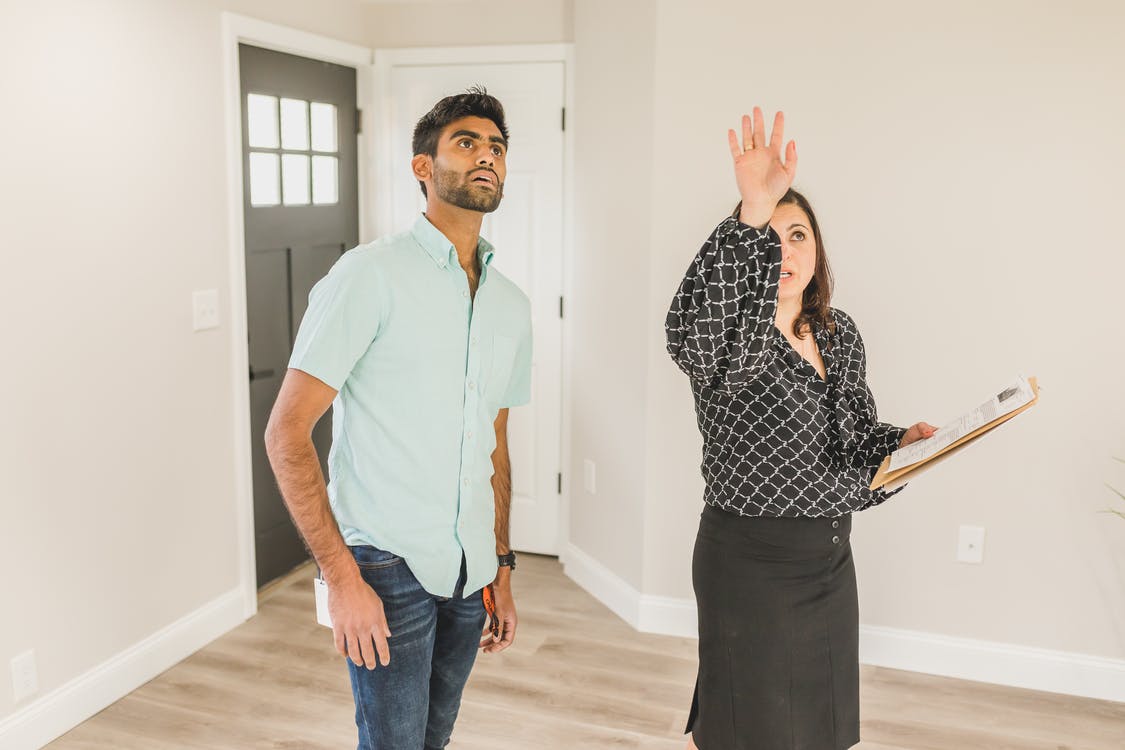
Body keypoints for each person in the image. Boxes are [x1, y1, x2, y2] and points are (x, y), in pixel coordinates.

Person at [264, 86, 532, 750]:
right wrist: (339, 578)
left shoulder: (510, 303)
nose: (486, 158)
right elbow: (286, 432)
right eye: (466, 143)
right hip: (384, 567)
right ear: (423, 167)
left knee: (434, 736)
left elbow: (493, 442)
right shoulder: (367, 277)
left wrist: (500, 562)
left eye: (495, 147)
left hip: (470, 569)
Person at [665, 107, 937, 750]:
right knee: (751, 730)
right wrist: (753, 209)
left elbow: (853, 435)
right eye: (770, 236)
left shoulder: (838, 334)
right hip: (751, 565)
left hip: (830, 564)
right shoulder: (730, 338)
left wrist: (900, 445)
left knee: (822, 727)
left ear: (817, 252)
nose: (783, 251)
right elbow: (691, 329)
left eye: (797, 236)